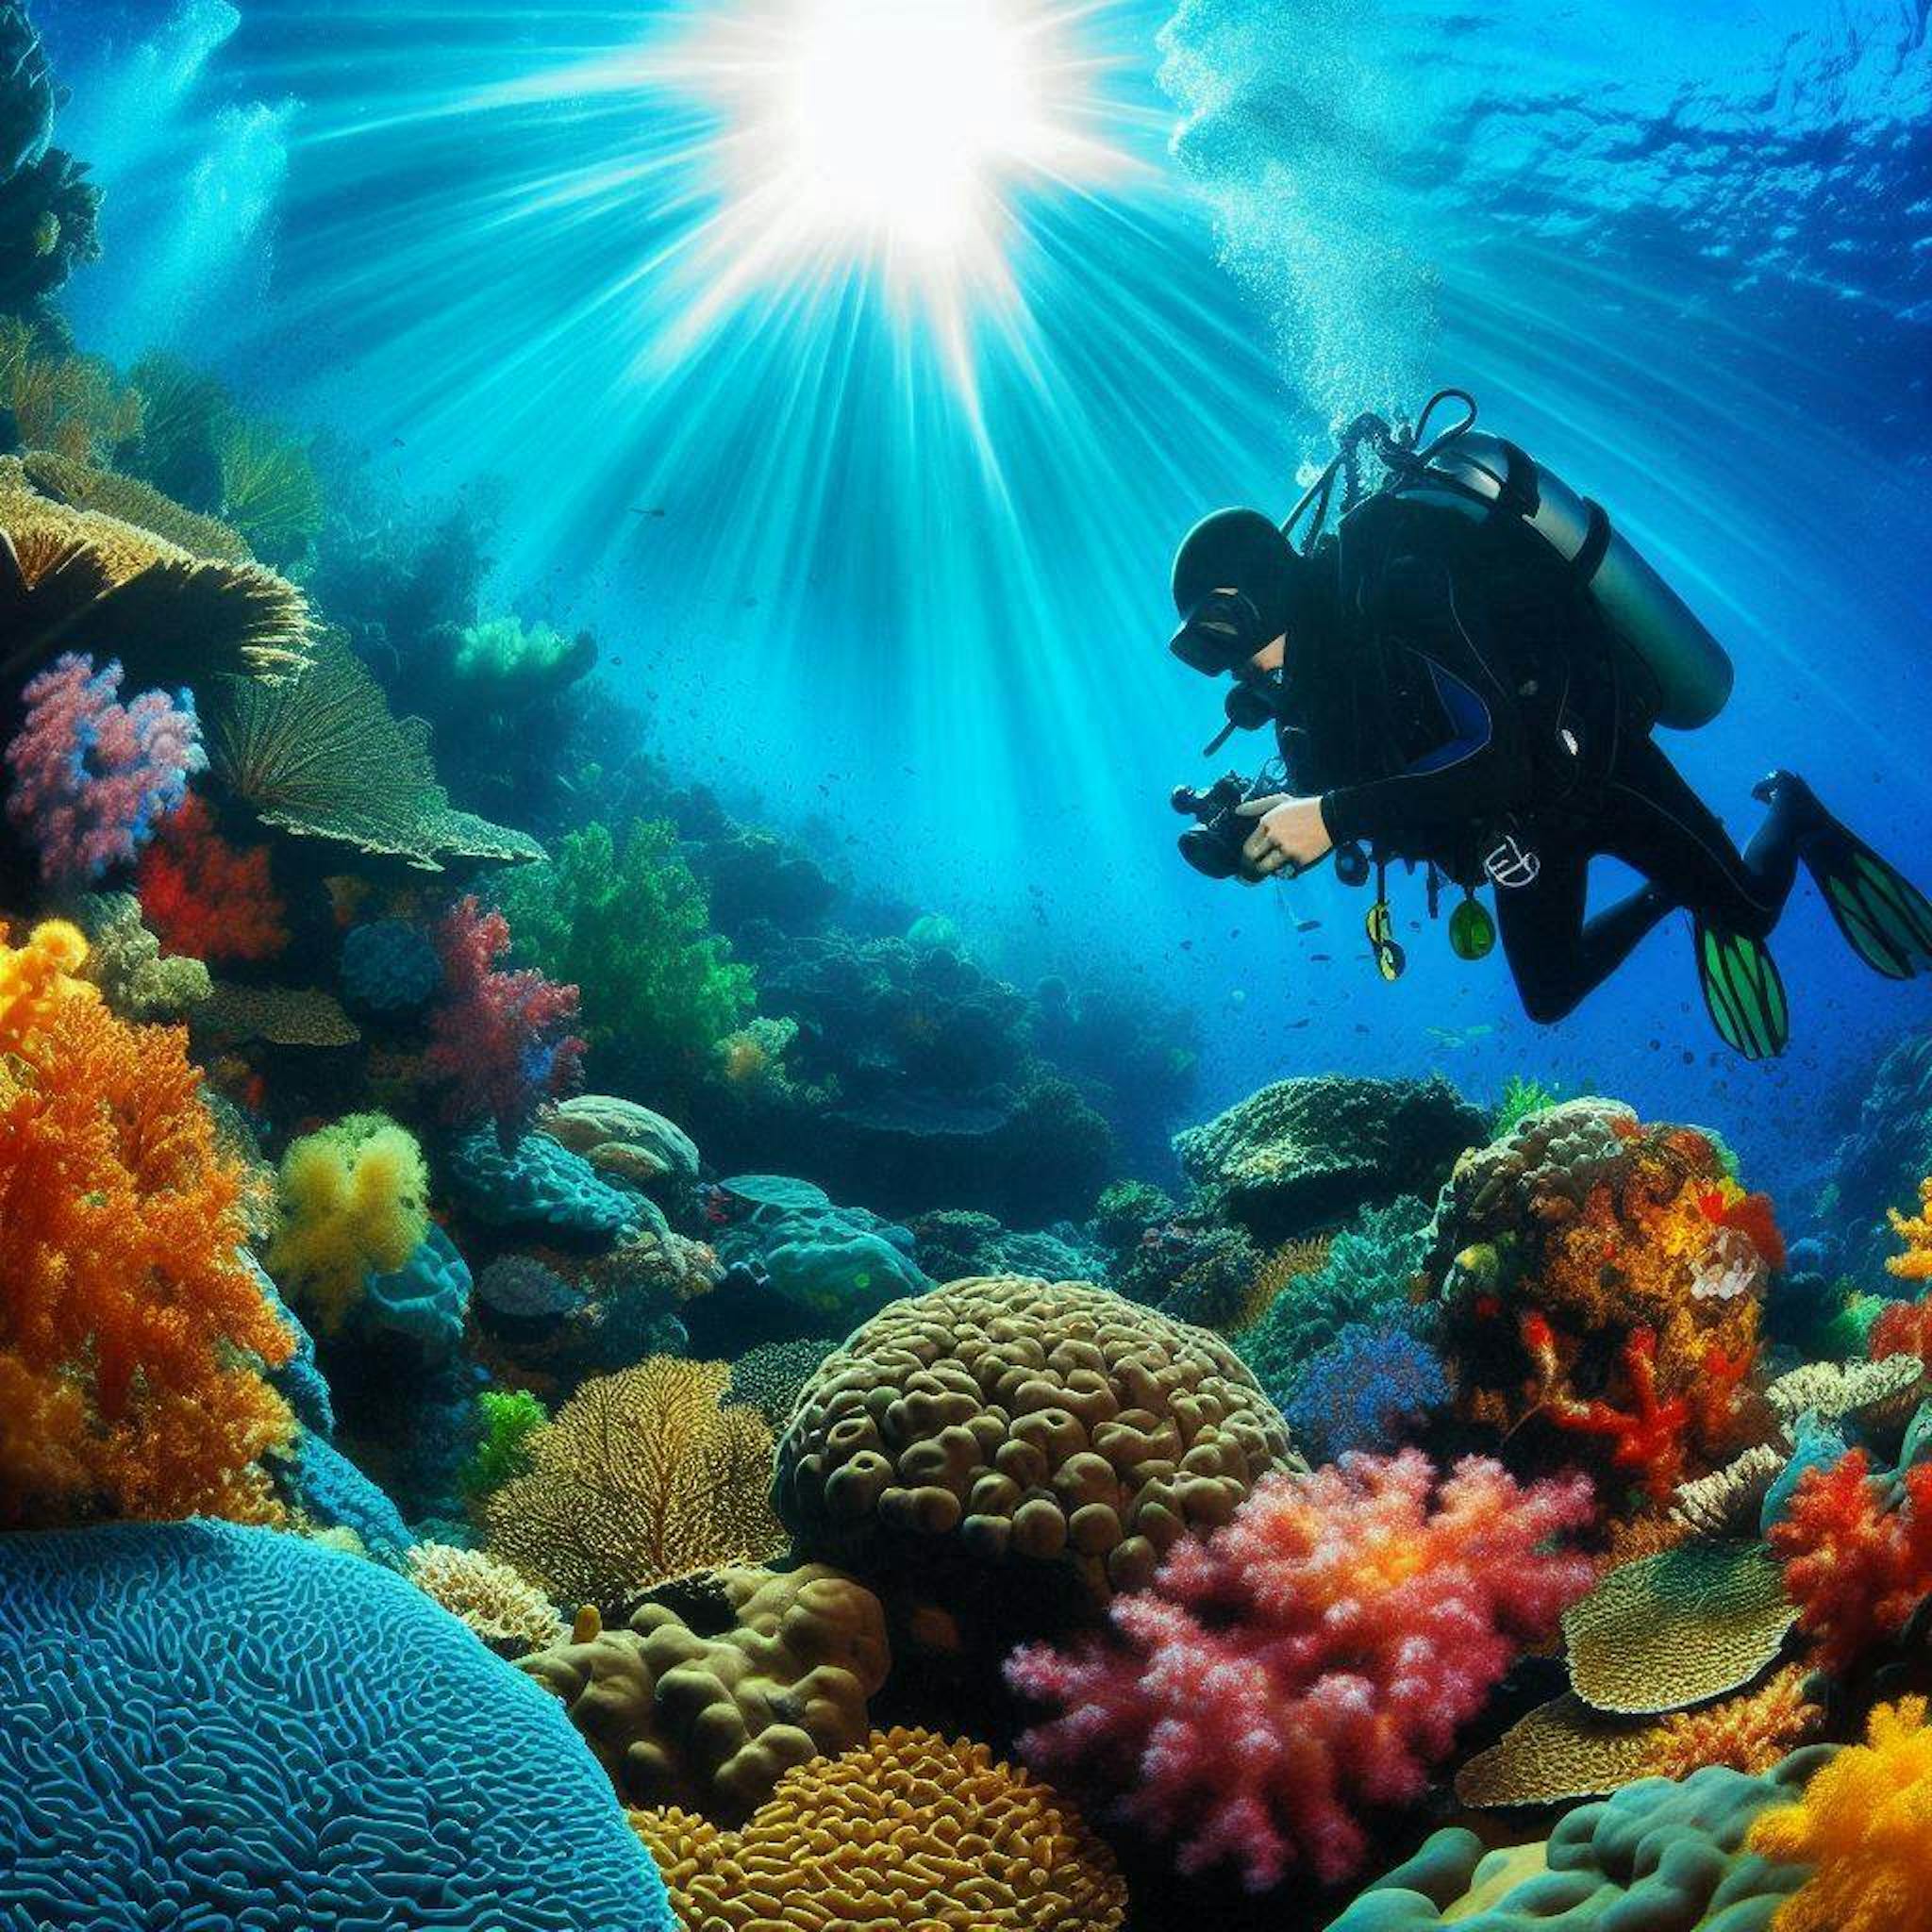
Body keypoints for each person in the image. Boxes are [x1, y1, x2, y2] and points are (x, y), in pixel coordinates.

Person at [1167, 461, 1932, 1058]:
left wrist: (1333, 815)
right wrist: (1283, 824)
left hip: (1593, 772)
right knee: (1549, 993)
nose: (1231, 670)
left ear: (1257, 597)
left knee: (1751, 912)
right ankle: (1674, 894)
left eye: (1224, 638)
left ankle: (1793, 809)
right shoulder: (1314, 690)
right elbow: (1381, 796)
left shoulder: (1400, 588)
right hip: (1520, 832)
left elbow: (1499, 755)